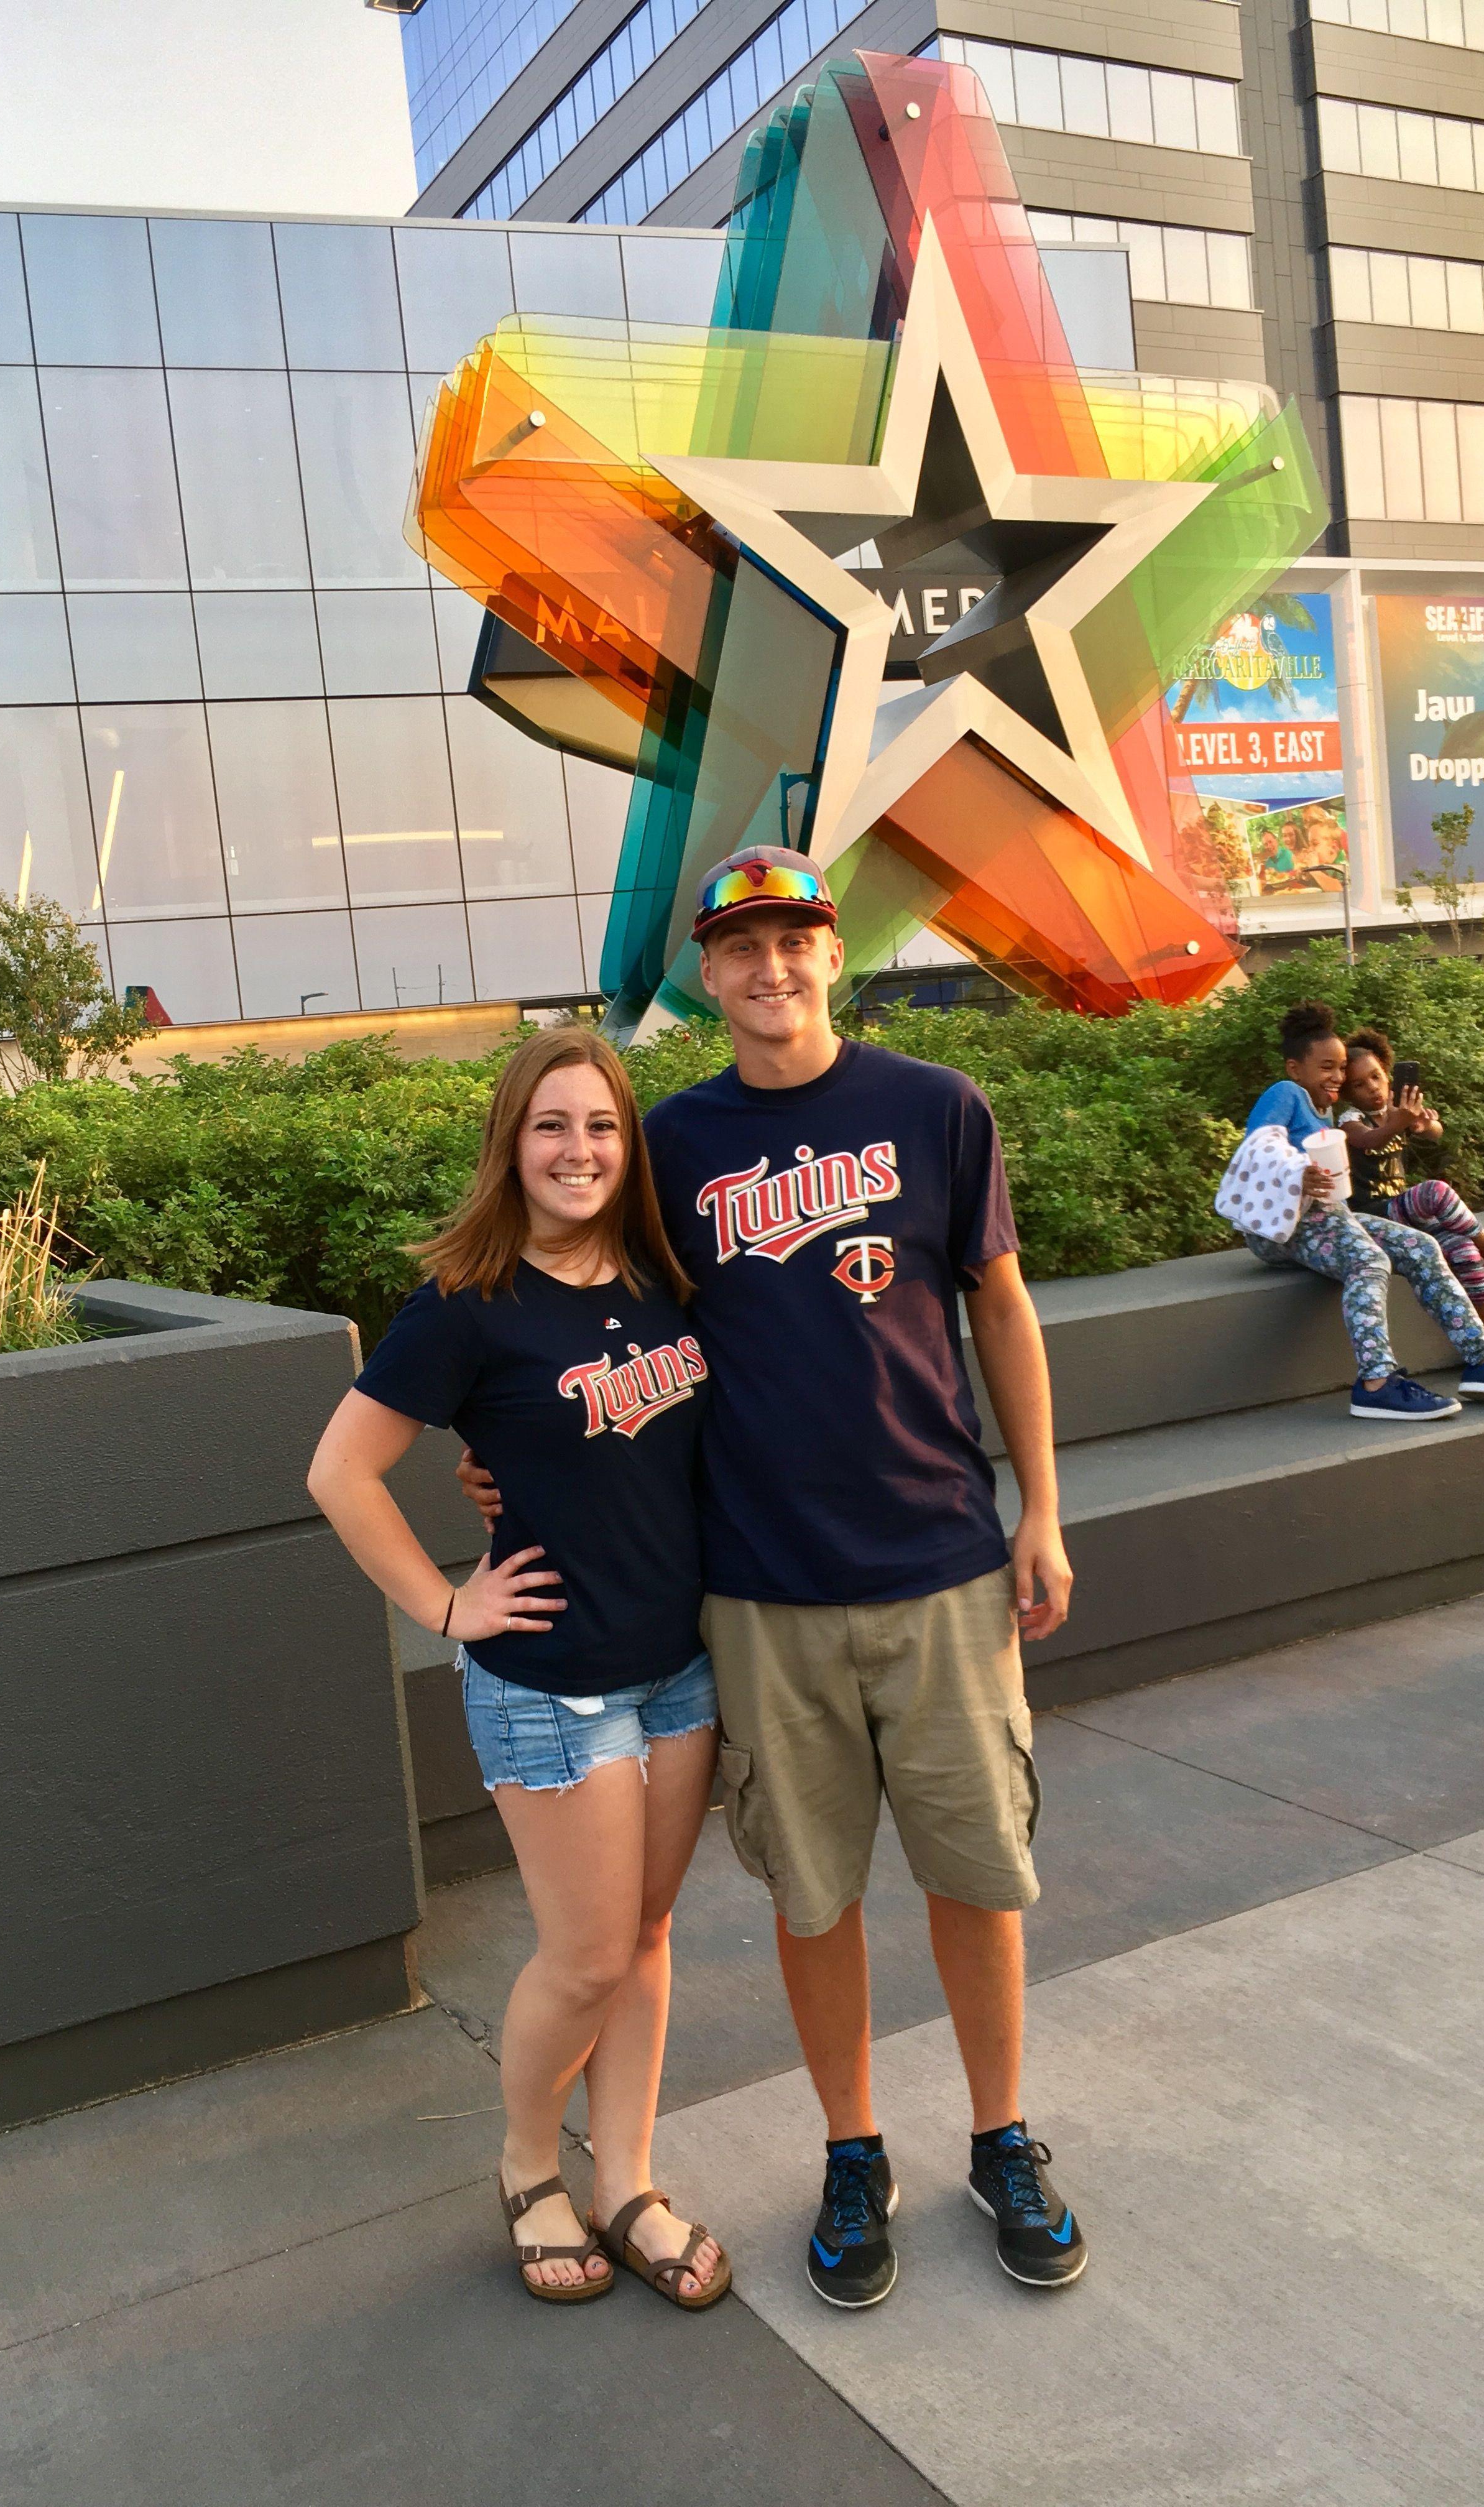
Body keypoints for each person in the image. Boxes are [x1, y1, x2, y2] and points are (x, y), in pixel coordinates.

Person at [463, 845, 1087, 2306]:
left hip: (941, 1562)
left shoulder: (935, 1108)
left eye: (795, 939)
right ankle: (853, 2148)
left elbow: (1002, 1306)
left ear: (833, 952)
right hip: (755, 1588)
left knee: (975, 1878)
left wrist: (1044, 1508)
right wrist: (497, 1463)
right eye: (741, 947)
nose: (771, 969)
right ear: (711, 970)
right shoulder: (670, 1144)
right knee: (814, 1897)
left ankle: (1002, 2137)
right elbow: (579, 1317)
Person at [306, 1028, 730, 2312]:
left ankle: (632, 2184)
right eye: (552, 1126)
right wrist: (447, 1603)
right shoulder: (467, 1301)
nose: (579, 1150)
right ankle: (530, 2165)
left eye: (600, 1125)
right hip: (553, 1685)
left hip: (679, 1673)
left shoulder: (668, 1276)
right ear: (513, 1143)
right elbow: (339, 1471)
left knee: (647, 1937)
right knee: (587, 1957)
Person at [1239, 1002, 1484, 1422]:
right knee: (1370, 1260)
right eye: (1326, 1068)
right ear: (1296, 1068)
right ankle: (1376, 1384)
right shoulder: (1286, 1094)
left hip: (1323, 1214)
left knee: (1423, 1246)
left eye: (1339, 1069)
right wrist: (1298, 1174)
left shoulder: (1324, 1107)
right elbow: (1255, 1146)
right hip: (1280, 1225)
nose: (1336, 1077)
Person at [1336, 1027, 1484, 1343]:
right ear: (1349, 1093)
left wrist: (1421, 1122)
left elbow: (1436, 1131)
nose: (1372, 1088)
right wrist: (1399, 1122)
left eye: (1376, 1077)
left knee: (1464, 1249)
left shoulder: (1395, 1109)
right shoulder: (1350, 1118)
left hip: (1399, 1211)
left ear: (1388, 1074)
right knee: (1435, 1191)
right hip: (1371, 1215)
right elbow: (1368, 1140)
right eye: (1359, 1085)